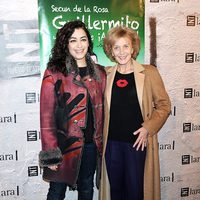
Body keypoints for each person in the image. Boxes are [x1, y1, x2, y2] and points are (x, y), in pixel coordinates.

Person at [99, 26, 171, 200]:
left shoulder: (149, 73)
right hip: (112, 145)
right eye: (116, 47)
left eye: (125, 46)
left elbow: (164, 105)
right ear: (111, 51)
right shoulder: (105, 75)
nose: (121, 52)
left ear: (133, 48)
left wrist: (148, 127)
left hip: (137, 144)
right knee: (115, 192)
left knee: (136, 192)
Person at [39, 20, 106, 200]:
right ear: (65, 44)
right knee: (56, 193)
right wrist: (51, 153)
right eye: (73, 40)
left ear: (89, 43)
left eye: (83, 39)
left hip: (91, 145)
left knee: (87, 189)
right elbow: (46, 117)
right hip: (64, 146)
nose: (79, 45)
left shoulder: (100, 73)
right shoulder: (54, 73)